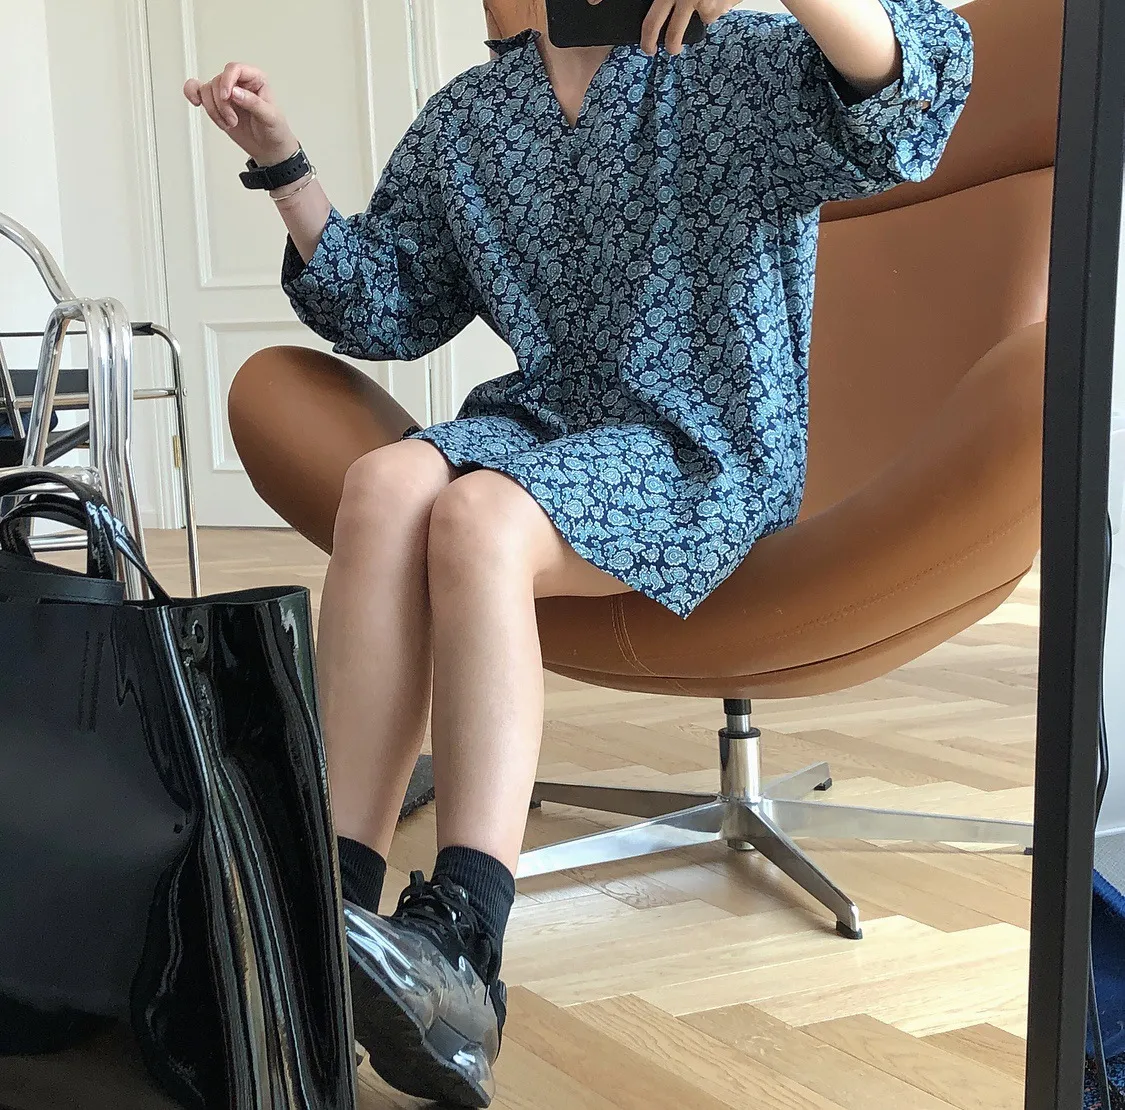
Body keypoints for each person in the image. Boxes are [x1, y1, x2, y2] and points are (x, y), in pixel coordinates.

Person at [184, 0, 972, 1104]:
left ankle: (465, 946)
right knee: (385, 484)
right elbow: (384, 304)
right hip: (547, 425)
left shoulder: (732, 61)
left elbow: (909, 97)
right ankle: (328, 915)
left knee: (477, 518)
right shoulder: (475, 115)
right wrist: (282, 163)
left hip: (703, 443)